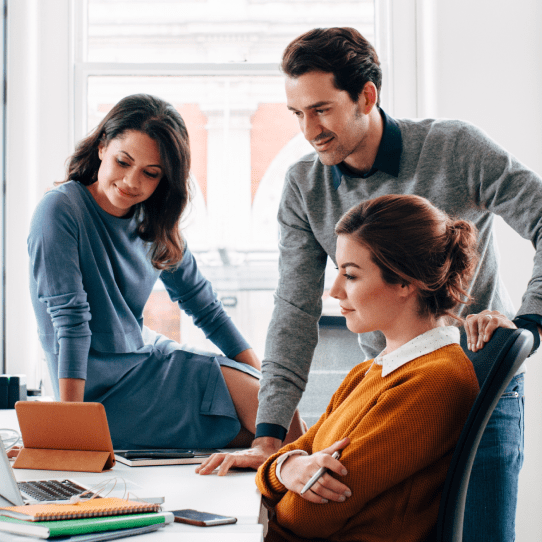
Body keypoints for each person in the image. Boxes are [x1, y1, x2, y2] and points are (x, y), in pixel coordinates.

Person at [197, 27, 542, 541]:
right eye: (297, 114)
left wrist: (527, 325)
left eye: (322, 109)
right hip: (389, 382)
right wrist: (269, 437)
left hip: (476, 378)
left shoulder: (455, 148)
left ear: (366, 96)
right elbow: (294, 308)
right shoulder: (303, 185)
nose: (309, 130)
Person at [27, 93, 305, 450]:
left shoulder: (152, 221)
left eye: (150, 173)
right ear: (101, 147)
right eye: (123, 161)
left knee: (278, 411)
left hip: (148, 362)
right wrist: (69, 431)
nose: (131, 181)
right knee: (274, 428)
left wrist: (264, 377)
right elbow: (70, 321)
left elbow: (204, 306)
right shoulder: (60, 210)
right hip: (96, 391)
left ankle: (314, 500)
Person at [255, 194, 481, 542]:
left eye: (351, 275)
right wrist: (287, 469)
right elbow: (289, 456)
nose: (334, 291)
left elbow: (305, 517)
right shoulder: (366, 373)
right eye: (338, 272)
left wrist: (280, 476)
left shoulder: (437, 380)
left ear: (406, 281)